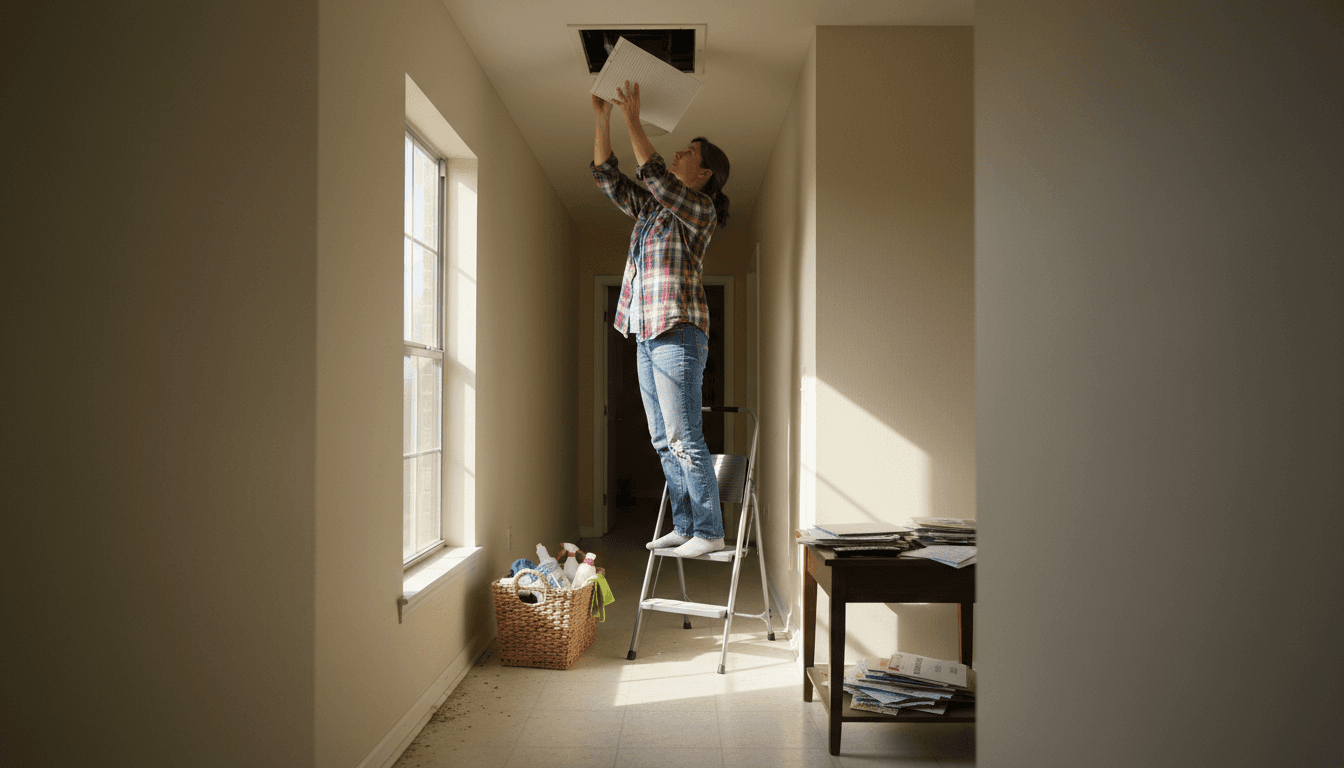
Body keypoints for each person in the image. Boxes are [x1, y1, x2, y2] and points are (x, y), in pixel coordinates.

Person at [590, 81, 732, 558]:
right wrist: (603, 118)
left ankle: (710, 531)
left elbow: (657, 178)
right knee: (661, 438)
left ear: (705, 171)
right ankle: (686, 522)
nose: (678, 153)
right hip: (645, 333)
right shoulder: (653, 211)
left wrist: (634, 117)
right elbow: (609, 178)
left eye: (688, 152)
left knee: (683, 434)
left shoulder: (700, 209)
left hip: (678, 332)